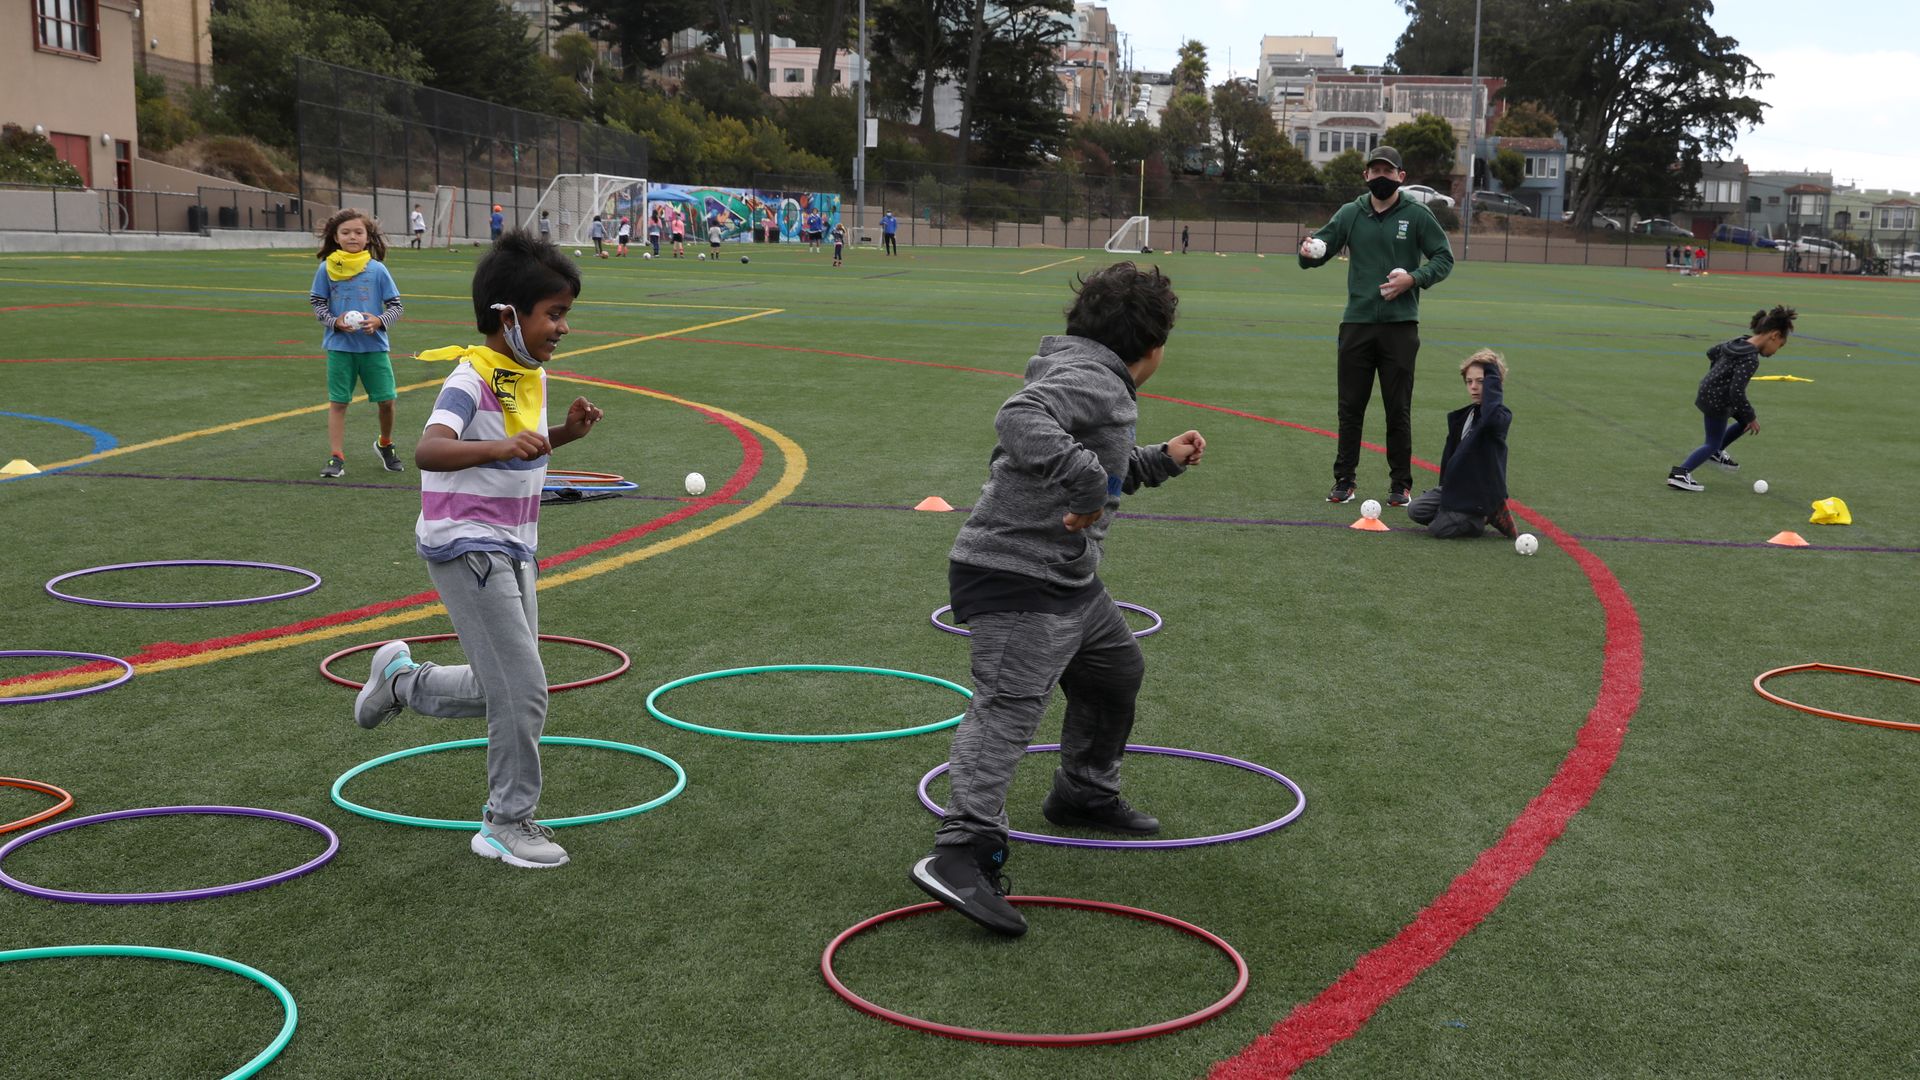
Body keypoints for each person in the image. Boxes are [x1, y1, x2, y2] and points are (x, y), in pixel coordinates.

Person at [908, 262, 1206, 937]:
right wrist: (1086, 488)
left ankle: (1082, 792)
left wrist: (1161, 459)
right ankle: (961, 852)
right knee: (1010, 707)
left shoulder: (1085, 370)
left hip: (1065, 579)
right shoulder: (1095, 379)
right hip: (1018, 574)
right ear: (1152, 347)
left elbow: (1104, 461)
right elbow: (1020, 419)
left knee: (1115, 671)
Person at [351, 231, 604, 870]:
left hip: (516, 546)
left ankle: (401, 683)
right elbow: (431, 449)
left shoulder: (530, 373)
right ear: (507, 316)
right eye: (554, 313)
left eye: (566, 313)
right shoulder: (471, 377)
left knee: (507, 686)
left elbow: (517, 447)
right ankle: (505, 822)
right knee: (524, 689)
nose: (563, 327)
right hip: (467, 543)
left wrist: (562, 436)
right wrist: (499, 447)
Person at [1298, 145, 1454, 508]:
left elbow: (1444, 257)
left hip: (1400, 327)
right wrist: (1307, 251)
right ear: (1366, 176)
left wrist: (1413, 279)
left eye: (1389, 172)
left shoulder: (1417, 214)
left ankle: (1400, 484)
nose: (1381, 177)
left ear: (1401, 176)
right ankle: (1344, 480)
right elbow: (1319, 247)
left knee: (1397, 408)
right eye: (1375, 171)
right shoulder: (1352, 212)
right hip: (1356, 324)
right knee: (1350, 407)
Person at [309, 208, 405, 479]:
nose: (352, 236)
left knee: (386, 401)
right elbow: (317, 303)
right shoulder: (326, 268)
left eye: (358, 232)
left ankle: (385, 444)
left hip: (373, 348)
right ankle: (336, 456)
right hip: (340, 348)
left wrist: (379, 320)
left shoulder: (377, 269)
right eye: (346, 232)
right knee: (339, 402)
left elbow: (396, 306)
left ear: (367, 237)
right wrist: (333, 321)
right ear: (336, 238)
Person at [1666, 305, 1795, 491]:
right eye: (1779, 345)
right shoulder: (1751, 358)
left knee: (1743, 421)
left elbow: (1712, 352)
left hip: (1709, 390)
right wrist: (1751, 416)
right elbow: (1737, 392)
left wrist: (1716, 374)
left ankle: (1716, 452)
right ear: (1774, 335)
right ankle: (1680, 473)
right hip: (1718, 399)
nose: (1776, 351)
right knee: (1712, 442)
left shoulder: (1738, 341)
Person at [1407, 349, 1517, 539]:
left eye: (1481, 382)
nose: (1474, 387)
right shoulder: (1466, 415)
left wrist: (1492, 370)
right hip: (1457, 489)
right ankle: (1460, 514)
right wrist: (1444, 487)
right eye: (1469, 381)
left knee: (1438, 529)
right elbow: (1450, 457)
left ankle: (1482, 517)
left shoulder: (1499, 417)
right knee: (1415, 510)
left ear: (1494, 384)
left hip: (1479, 493)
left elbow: (1490, 417)